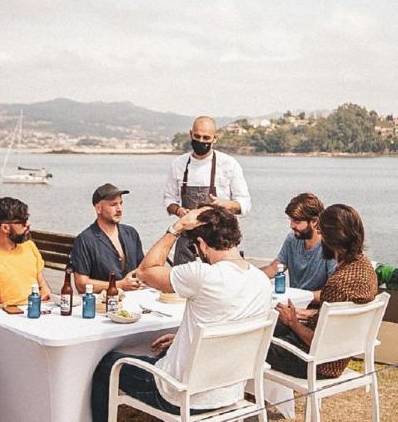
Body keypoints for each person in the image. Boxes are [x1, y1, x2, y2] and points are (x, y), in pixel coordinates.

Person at [90, 206, 271, 421]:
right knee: (160, 355)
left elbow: (145, 272)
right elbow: (230, 326)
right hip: (230, 393)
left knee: (107, 365)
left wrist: (176, 227)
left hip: (182, 396)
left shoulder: (202, 275)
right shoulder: (261, 280)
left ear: (202, 245)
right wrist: (184, 339)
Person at [266, 204, 378, 380]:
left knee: (253, 343)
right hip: (340, 354)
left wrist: (293, 321)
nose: (319, 237)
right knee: (276, 323)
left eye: (321, 232)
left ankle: (245, 399)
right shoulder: (365, 268)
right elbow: (337, 322)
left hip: (317, 362)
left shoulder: (338, 283)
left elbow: (320, 342)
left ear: (331, 238)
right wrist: (304, 315)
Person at [163, 116, 251, 264]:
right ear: (191, 134)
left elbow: (245, 204)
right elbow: (168, 199)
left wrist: (224, 204)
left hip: (220, 243)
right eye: (197, 136)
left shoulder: (229, 164)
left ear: (215, 138)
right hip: (186, 240)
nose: (201, 141)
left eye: (206, 138)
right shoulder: (178, 164)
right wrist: (178, 210)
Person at [0, 197, 52, 310]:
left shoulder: (29, 247)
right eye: (22, 221)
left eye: (27, 219)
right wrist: (18, 309)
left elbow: (43, 287)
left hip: (38, 313)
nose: (28, 224)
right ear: (5, 228)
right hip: (9, 318)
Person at [260, 193, 336, 306]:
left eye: (297, 221)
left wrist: (303, 297)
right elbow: (275, 268)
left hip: (315, 309)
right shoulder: (293, 238)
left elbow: (334, 292)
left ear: (314, 221)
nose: (292, 225)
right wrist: (249, 275)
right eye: (291, 220)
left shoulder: (330, 246)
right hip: (294, 304)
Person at [72, 183, 145, 293]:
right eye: (113, 205)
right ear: (99, 208)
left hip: (134, 299)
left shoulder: (131, 233)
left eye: (121, 203)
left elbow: (143, 270)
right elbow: (81, 284)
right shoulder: (84, 240)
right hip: (102, 303)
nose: (119, 209)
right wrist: (119, 285)